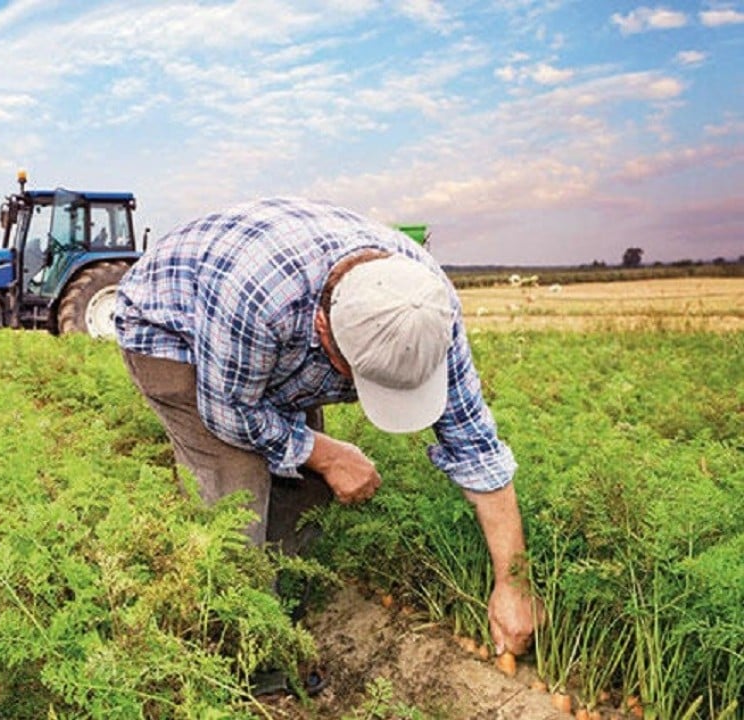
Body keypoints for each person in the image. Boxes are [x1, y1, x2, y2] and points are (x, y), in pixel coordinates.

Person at [113, 196, 539, 656]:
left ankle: (285, 604)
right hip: (174, 332)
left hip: (268, 339)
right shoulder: (258, 300)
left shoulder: (426, 308)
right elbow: (230, 413)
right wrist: (330, 453)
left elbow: (476, 447)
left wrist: (513, 582)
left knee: (306, 486)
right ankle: (243, 645)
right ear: (323, 329)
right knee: (236, 494)